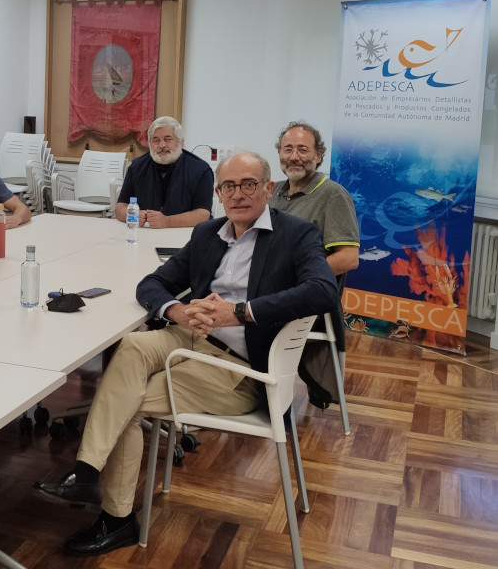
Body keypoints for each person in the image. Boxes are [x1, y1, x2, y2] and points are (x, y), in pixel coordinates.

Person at [34, 152, 337, 556]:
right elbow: (153, 282)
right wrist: (177, 310)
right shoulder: (208, 233)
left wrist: (241, 312)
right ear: (218, 193)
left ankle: (116, 517)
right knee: (132, 345)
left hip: (238, 368)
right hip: (187, 338)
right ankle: (88, 471)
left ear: (269, 188)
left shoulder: (296, 234)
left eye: (249, 184)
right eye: (229, 186)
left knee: (127, 403)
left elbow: (323, 290)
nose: (239, 194)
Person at [271, 121, 360, 407]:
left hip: (310, 300)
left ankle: (264, 397)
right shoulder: (274, 191)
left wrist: (297, 278)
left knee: (240, 319)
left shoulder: (333, 195)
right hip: (273, 288)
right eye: (288, 149)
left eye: (302, 149)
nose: (294, 156)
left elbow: (349, 258)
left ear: (318, 155)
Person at [114, 116, 213, 228]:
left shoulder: (201, 170)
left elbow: (203, 214)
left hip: (186, 235)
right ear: (150, 144)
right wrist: (131, 215)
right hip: (145, 233)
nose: (162, 145)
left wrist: (167, 221)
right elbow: (120, 207)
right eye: (155, 140)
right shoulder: (136, 167)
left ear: (181, 142)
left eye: (168, 139)